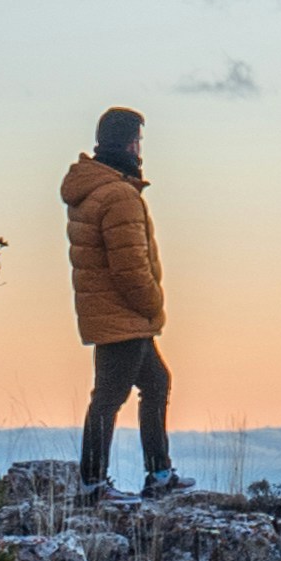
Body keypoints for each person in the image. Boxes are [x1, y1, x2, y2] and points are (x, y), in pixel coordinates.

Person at [66, 106, 178, 498]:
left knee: (155, 382)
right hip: (124, 315)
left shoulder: (94, 190)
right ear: (129, 143)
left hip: (112, 314)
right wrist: (152, 303)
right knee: (109, 397)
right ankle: (93, 483)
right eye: (138, 140)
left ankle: (160, 474)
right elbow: (130, 267)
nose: (141, 148)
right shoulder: (118, 196)